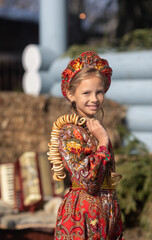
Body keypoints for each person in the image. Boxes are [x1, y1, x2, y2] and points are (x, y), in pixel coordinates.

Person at [48, 51, 124, 239]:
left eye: (99, 92)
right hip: (83, 215)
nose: (94, 99)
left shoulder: (95, 128)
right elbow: (89, 181)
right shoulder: (69, 132)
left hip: (107, 212)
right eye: (86, 93)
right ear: (71, 94)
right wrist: (103, 142)